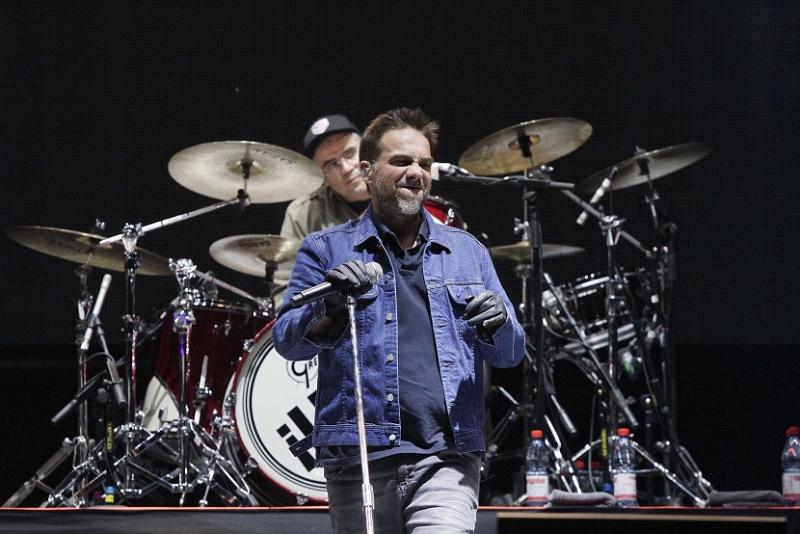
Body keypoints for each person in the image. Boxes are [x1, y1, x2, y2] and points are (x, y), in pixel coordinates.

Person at [273, 107, 525, 533]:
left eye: (424, 164)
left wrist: (500, 322)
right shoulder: (325, 249)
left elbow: (510, 353)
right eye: (402, 161)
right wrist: (328, 306)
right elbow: (288, 341)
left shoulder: (467, 251)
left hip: (447, 457)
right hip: (358, 459)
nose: (416, 173)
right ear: (368, 172)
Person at [280, 114, 371, 242]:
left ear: (368, 151)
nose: (346, 169)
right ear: (323, 178)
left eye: (349, 153)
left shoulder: (397, 188)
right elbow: (289, 254)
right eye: (332, 164)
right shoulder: (302, 213)